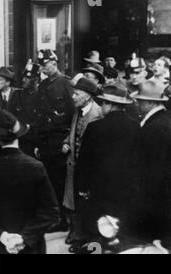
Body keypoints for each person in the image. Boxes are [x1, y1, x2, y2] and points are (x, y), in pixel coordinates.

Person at [0, 110, 60, 254]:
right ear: (18, 136)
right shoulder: (35, 167)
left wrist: (1, 236)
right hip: (29, 247)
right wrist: (24, 238)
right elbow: (51, 212)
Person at [71, 84, 139, 253]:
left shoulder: (95, 128)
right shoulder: (136, 127)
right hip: (125, 188)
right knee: (119, 227)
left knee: (98, 229)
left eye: (103, 104)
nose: (101, 107)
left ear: (110, 104)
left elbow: (84, 162)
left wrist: (81, 188)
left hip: (99, 189)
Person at [35, 49, 75, 232]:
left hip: (60, 141)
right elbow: (40, 115)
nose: (43, 67)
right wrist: (37, 142)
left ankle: (62, 220)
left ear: (54, 62)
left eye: (46, 64)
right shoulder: (42, 85)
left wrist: (68, 139)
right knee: (48, 180)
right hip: (45, 140)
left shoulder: (66, 84)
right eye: (41, 65)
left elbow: (74, 114)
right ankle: (53, 217)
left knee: (59, 182)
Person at [62, 76, 103, 249]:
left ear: (87, 96)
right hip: (74, 164)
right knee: (72, 201)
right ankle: (75, 231)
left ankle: (83, 235)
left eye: (76, 94)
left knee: (86, 202)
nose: (72, 97)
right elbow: (73, 132)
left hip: (89, 167)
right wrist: (66, 142)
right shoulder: (78, 111)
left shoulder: (98, 113)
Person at [130, 80, 171, 249]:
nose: (137, 104)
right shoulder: (163, 120)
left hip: (156, 194)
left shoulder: (155, 127)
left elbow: (154, 167)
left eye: (140, 101)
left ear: (150, 103)